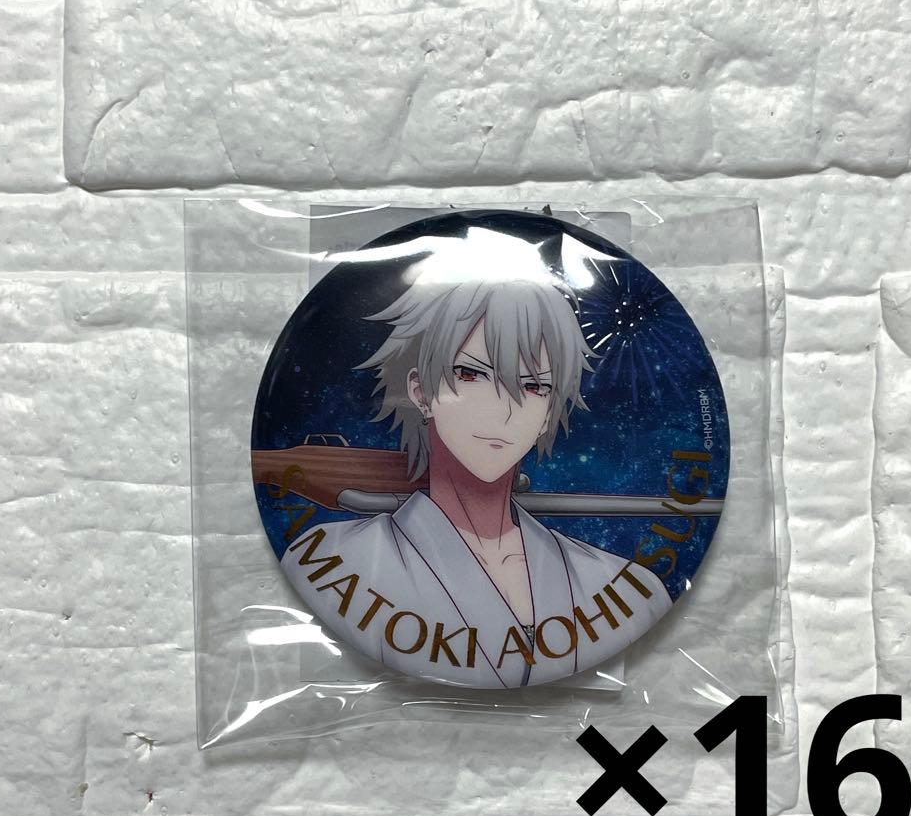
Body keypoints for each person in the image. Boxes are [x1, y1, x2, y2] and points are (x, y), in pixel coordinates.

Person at [280, 227, 672, 688]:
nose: (503, 409)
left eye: (533, 386)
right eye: (471, 374)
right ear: (420, 391)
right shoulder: (329, 561)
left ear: (549, 413)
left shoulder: (628, 589)